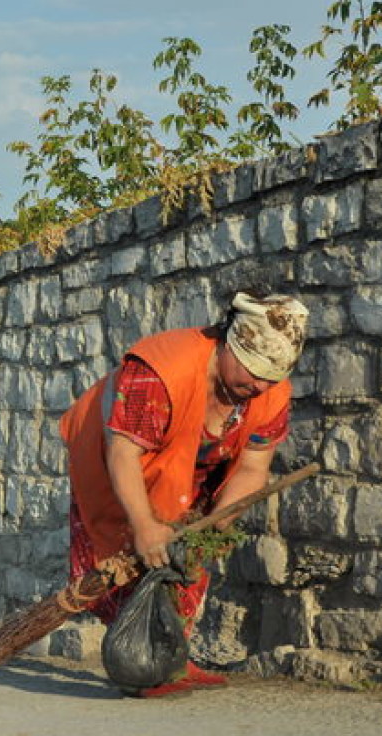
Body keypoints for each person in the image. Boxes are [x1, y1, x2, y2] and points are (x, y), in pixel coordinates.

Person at [59, 290, 309, 698]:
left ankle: (173, 659)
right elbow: (123, 452)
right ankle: (140, 664)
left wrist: (215, 525)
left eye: (271, 376)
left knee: (184, 560)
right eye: (252, 371)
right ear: (229, 343)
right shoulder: (161, 370)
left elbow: (252, 468)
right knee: (127, 553)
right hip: (115, 459)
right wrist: (143, 525)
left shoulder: (271, 394)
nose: (259, 384)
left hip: (193, 468)